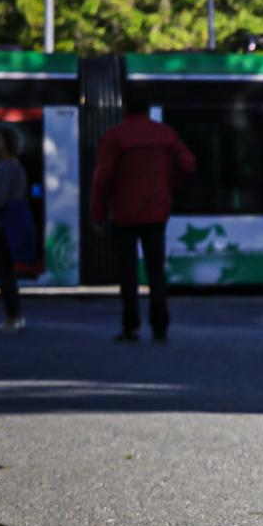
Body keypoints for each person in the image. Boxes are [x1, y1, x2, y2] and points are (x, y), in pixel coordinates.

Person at [90, 95, 196, 342]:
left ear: (126, 108)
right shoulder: (165, 135)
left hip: (124, 213)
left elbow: (102, 178)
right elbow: (189, 164)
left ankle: (131, 326)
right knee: (155, 272)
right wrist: (169, 184)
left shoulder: (115, 136)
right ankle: (160, 326)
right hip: (156, 212)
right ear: (148, 109)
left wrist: (97, 214)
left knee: (128, 273)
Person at [0, 125, 33, 333]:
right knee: (7, 271)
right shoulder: (16, 165)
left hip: (2, 225)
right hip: (13, 222)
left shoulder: (5, 167)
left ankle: (13, 317)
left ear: (8, 143)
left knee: (4, 272)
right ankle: (15, 316)